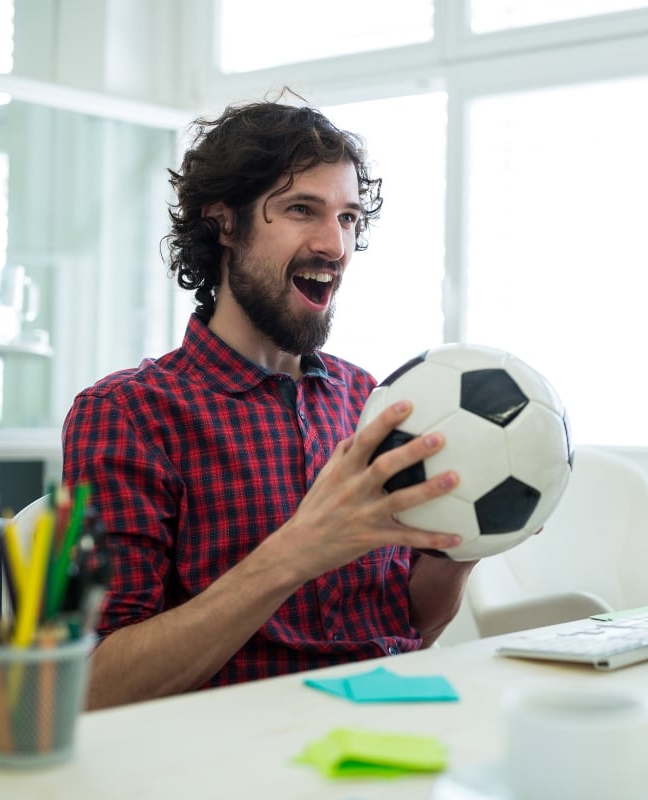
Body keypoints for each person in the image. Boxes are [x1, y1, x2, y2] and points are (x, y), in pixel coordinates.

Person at [62, 96, 476, 710]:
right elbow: (93, 687)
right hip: (235, 753)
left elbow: (411, 629)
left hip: (390, 726)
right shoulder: (129, 414)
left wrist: (464, 548)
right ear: (224, 222)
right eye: (302, 209)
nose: (334, 245)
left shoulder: (371, 399)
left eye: (350, 219)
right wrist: (296, 552)